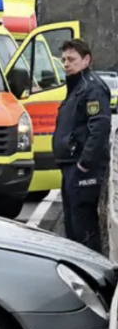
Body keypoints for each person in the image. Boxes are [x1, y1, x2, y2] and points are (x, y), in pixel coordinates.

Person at [54, 38, 112, 253]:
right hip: (71, 166)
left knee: (83, 226)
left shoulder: (92, 88)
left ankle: (92, 276)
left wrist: (84, 163)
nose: (66, 64)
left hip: (82, 169)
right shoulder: (77, 87)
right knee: (72, 225)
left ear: (86, 60)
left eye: (71, 59)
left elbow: (100, 128)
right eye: (64, 60)